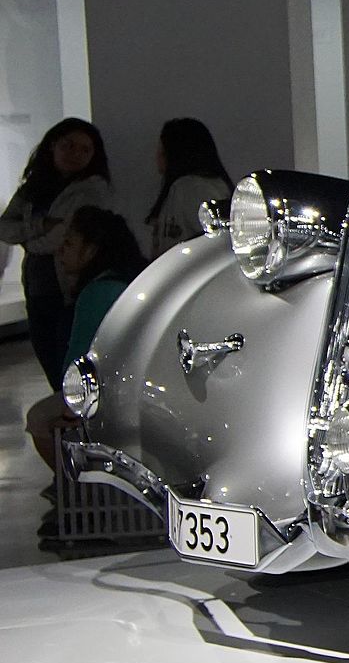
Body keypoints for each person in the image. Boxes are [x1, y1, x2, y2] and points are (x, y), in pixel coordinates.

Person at [26, 206, 145, 484]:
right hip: (136, 388)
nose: (60, 251)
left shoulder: (96, 293)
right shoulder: (131, 281)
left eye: (68, 243)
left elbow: (76, 368)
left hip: (108, 397)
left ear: (91, 251)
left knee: (38, 419)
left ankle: (76, 487)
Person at [0, 118, 114, 388]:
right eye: (69, 146)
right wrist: (39, 225)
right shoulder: (33, 188)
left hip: (70, 289)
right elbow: (5, 227)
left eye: (85, 150)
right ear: (53, 146)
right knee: (49, 359)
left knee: (69, 364)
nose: (75, 154)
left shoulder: (92, 189)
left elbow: (58, 239)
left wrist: (29, 239)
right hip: (38, 287)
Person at [146, 117, 233, 256]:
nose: (156, 155)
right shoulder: (186, 188)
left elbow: (218, 242)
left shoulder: (193, 189)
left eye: (161, 150)